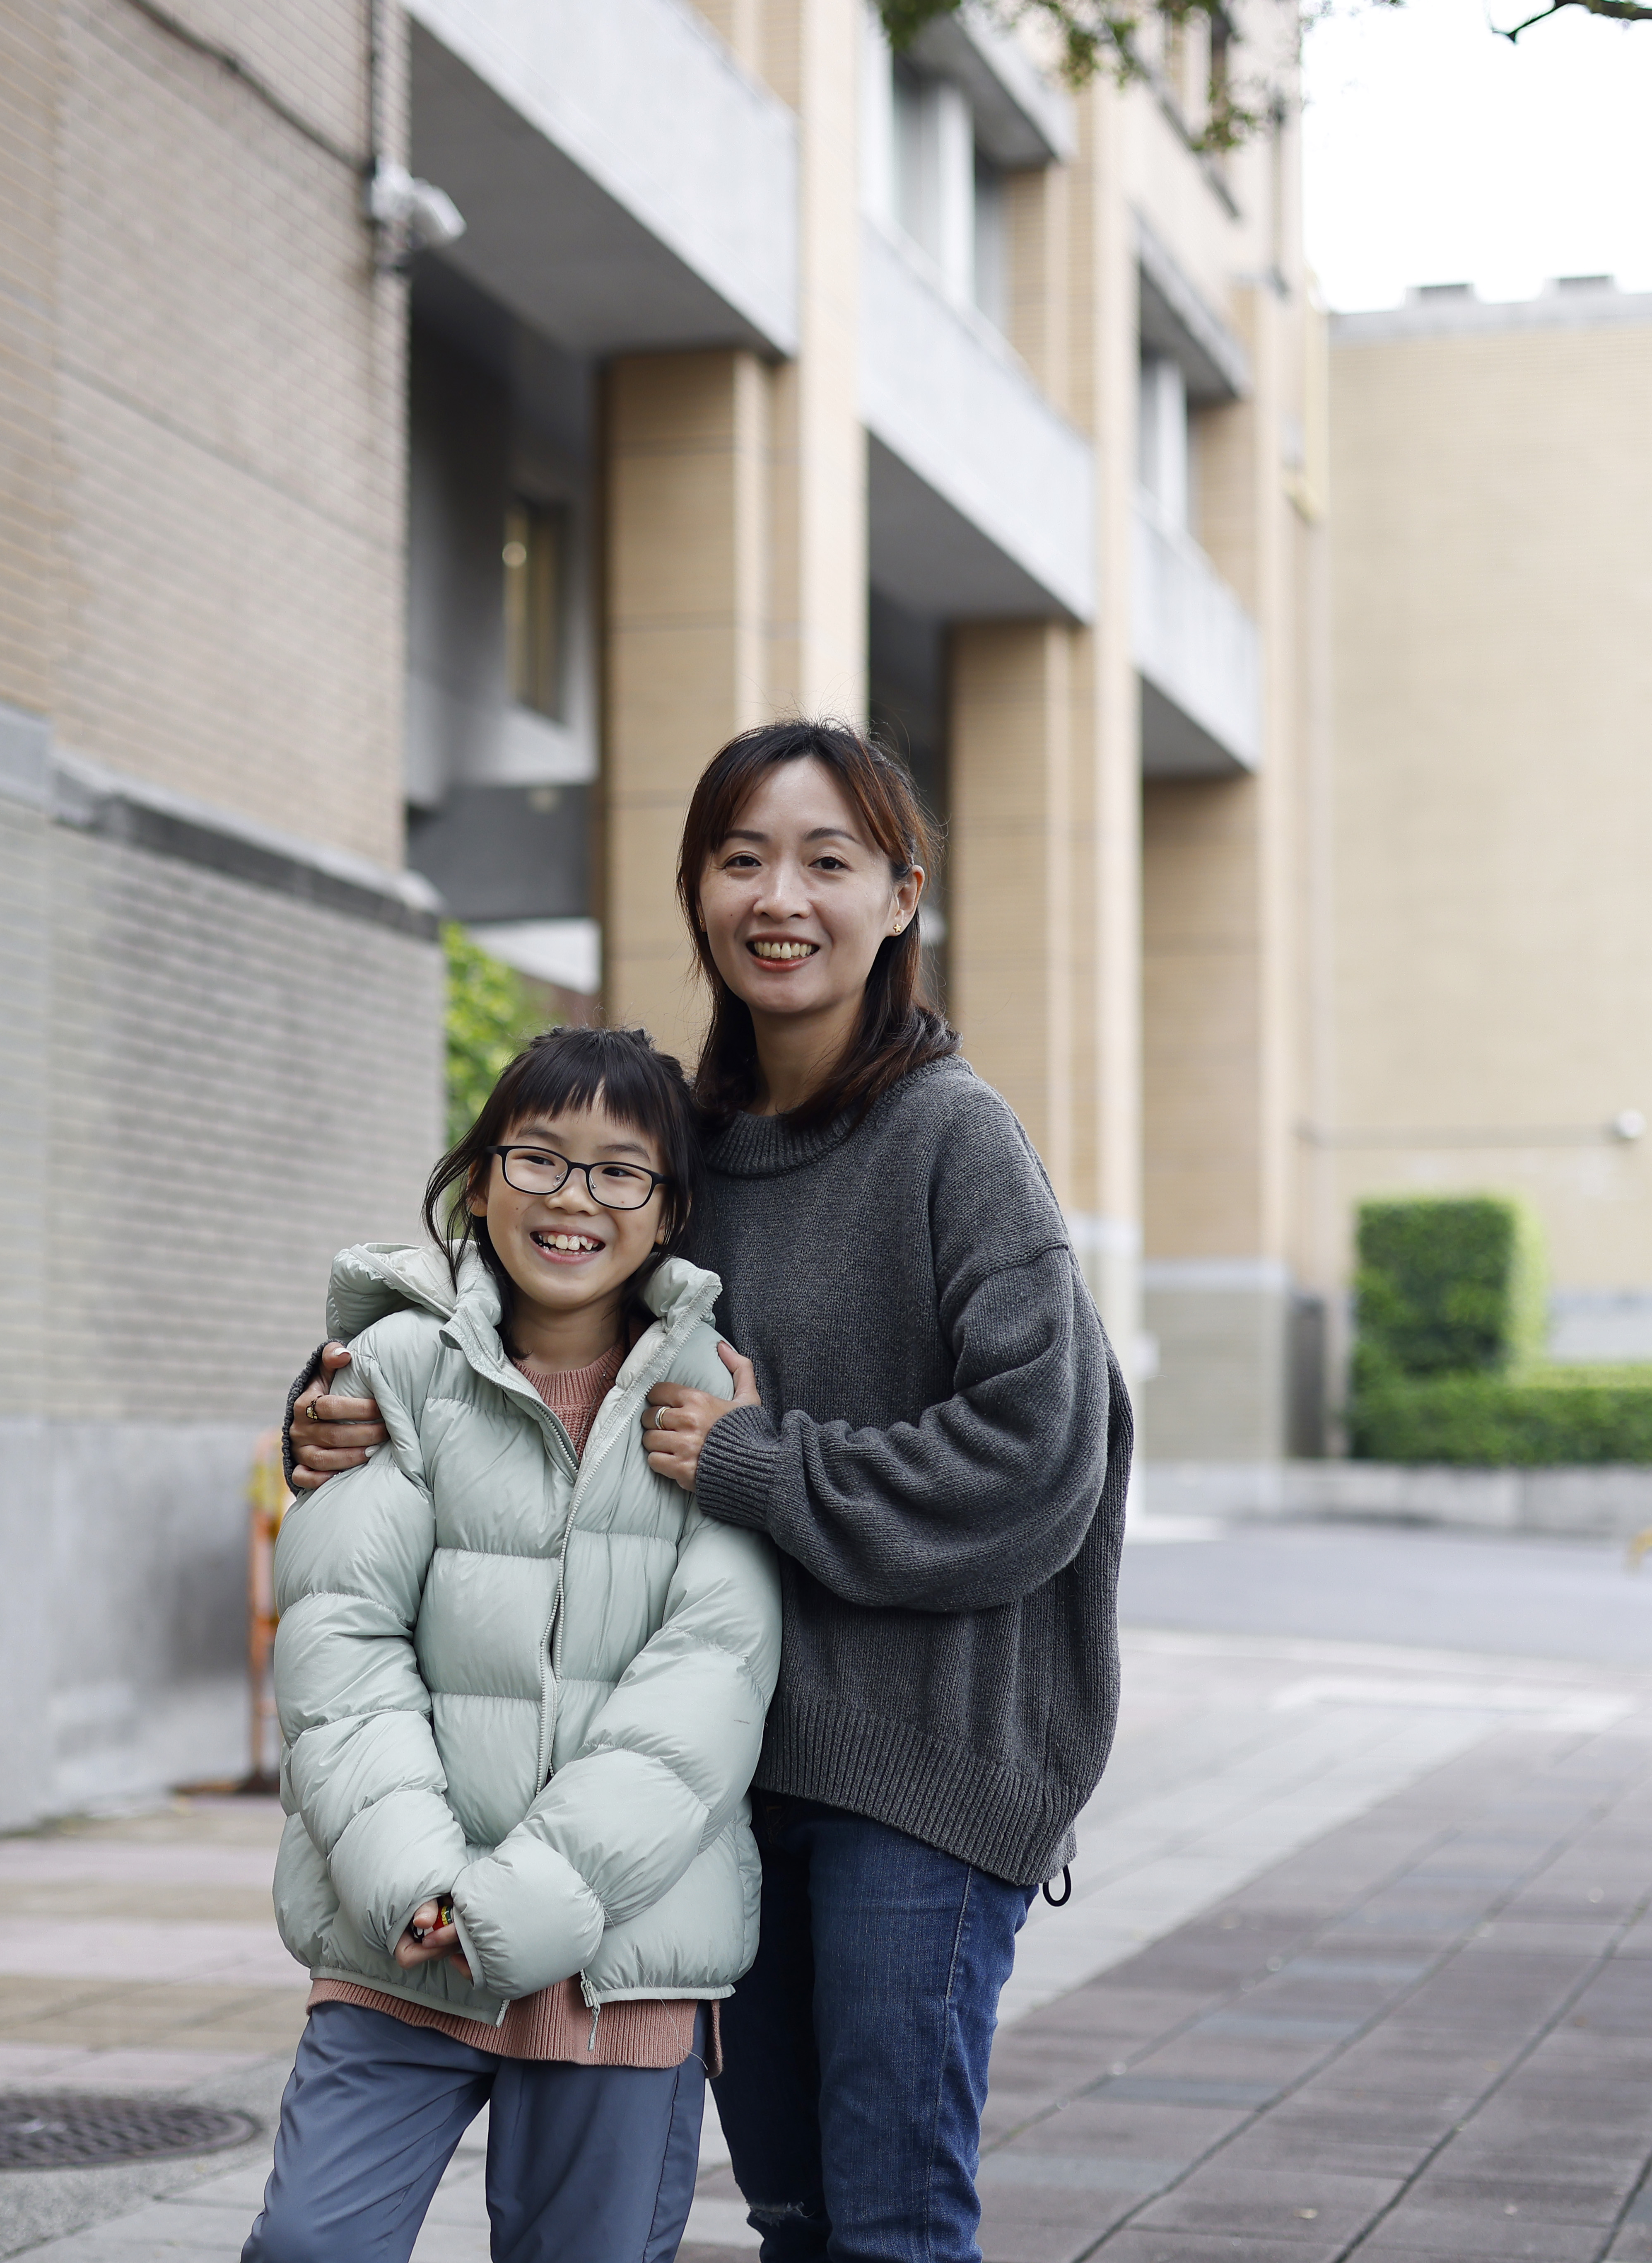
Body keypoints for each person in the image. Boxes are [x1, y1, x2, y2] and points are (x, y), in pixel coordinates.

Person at [289, 719, 1130, 2263]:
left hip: (922, 1777)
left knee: (889, 2219)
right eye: (741, 859)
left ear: (901, 898)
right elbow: (509, 1299)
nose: (780, 897)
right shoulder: (690, 1143)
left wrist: (761, 1464)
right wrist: (338, 1402)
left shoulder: (958, 1140)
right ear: (696, 892)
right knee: (796, 2214)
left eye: (828, 861)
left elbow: (1041, 1463)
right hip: (721, 1784)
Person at [246, 1024, 781, 2263]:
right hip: (401, 1934)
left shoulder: (717, 1405)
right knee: (310, 2247)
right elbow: (342, 1647)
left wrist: (531, 1902)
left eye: (618, 1171)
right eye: (538, 1160)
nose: (573, 1200)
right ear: (479, 1180)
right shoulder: (390, 1373)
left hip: (621, 1953)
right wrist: (420, 1879)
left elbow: (707, 1690)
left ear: (669, 1210)